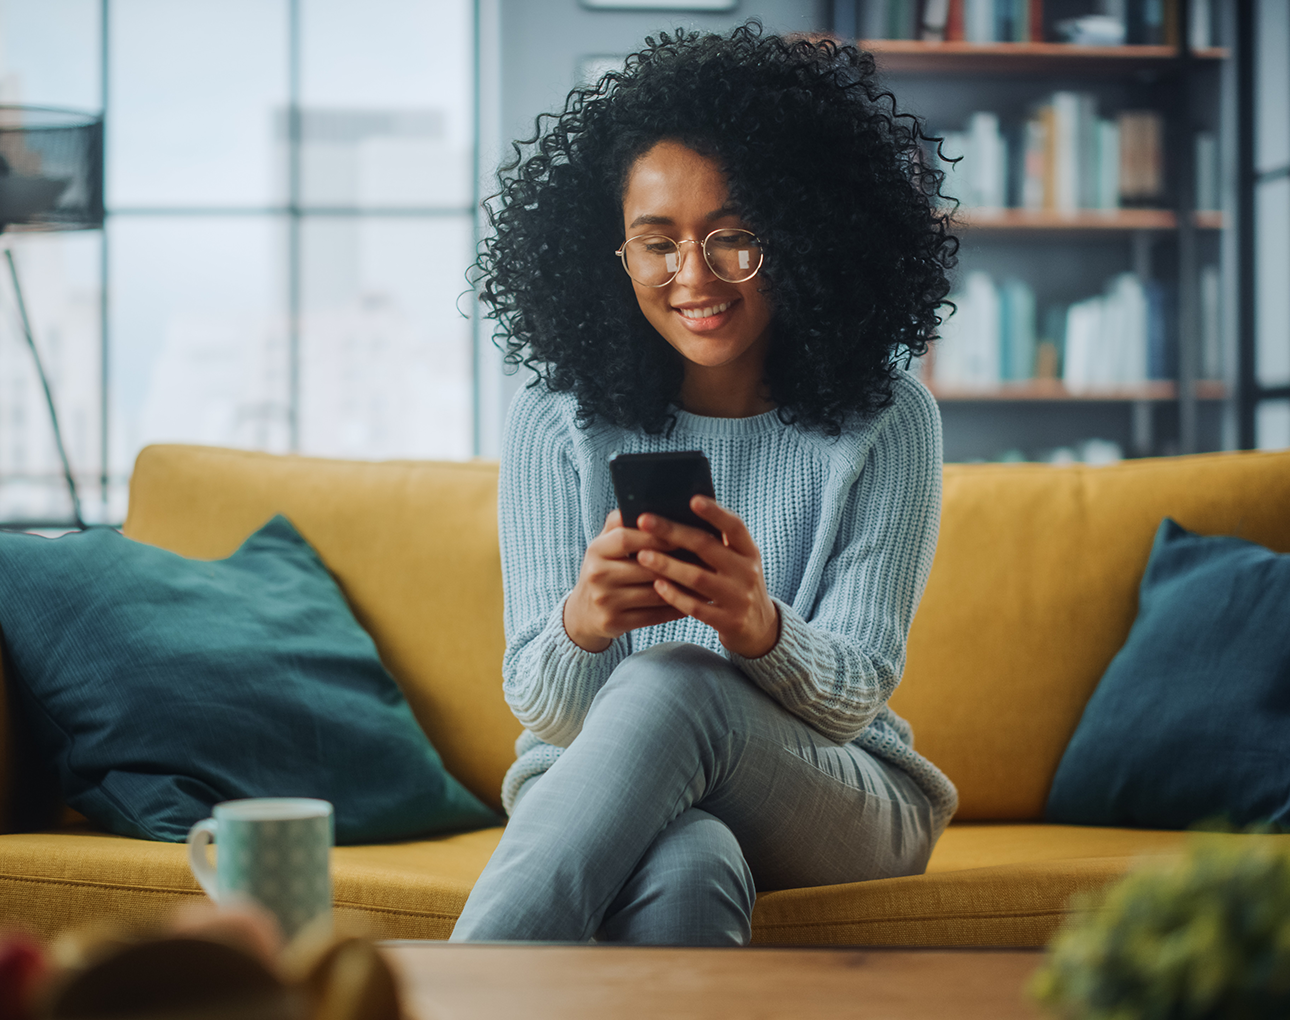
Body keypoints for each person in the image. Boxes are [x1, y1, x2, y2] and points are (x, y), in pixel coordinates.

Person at [450, 22, 959, 947]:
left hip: (837, 797)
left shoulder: (890, 420)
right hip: (597, 789)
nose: (694, 277)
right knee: (691, 865)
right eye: (657, 243)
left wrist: (757, 627)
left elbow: (854, 698)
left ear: (806, 237)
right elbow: (547, 708)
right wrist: (586, 622)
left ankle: (438, 1000)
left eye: (734, 238)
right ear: (614, 255)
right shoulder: (554, 417)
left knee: (677, 678)